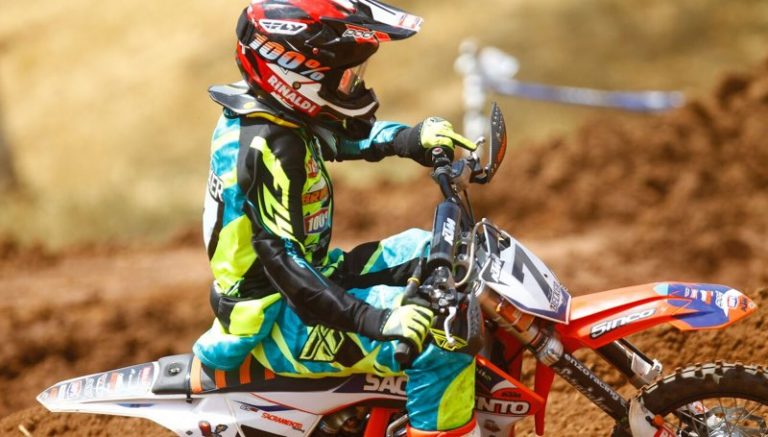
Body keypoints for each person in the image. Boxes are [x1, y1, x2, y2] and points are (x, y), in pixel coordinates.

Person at [193, 1, 479, 435]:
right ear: (297, 75)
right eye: (345, 76)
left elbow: (339, 137)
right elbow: (287, 272)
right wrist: (378, 320)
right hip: (278, 322)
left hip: (311, 279)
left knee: (446, 253)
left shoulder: (275, 114)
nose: (354, 85)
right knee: (442, 335)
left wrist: (409, 138)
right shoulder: (266, 147)